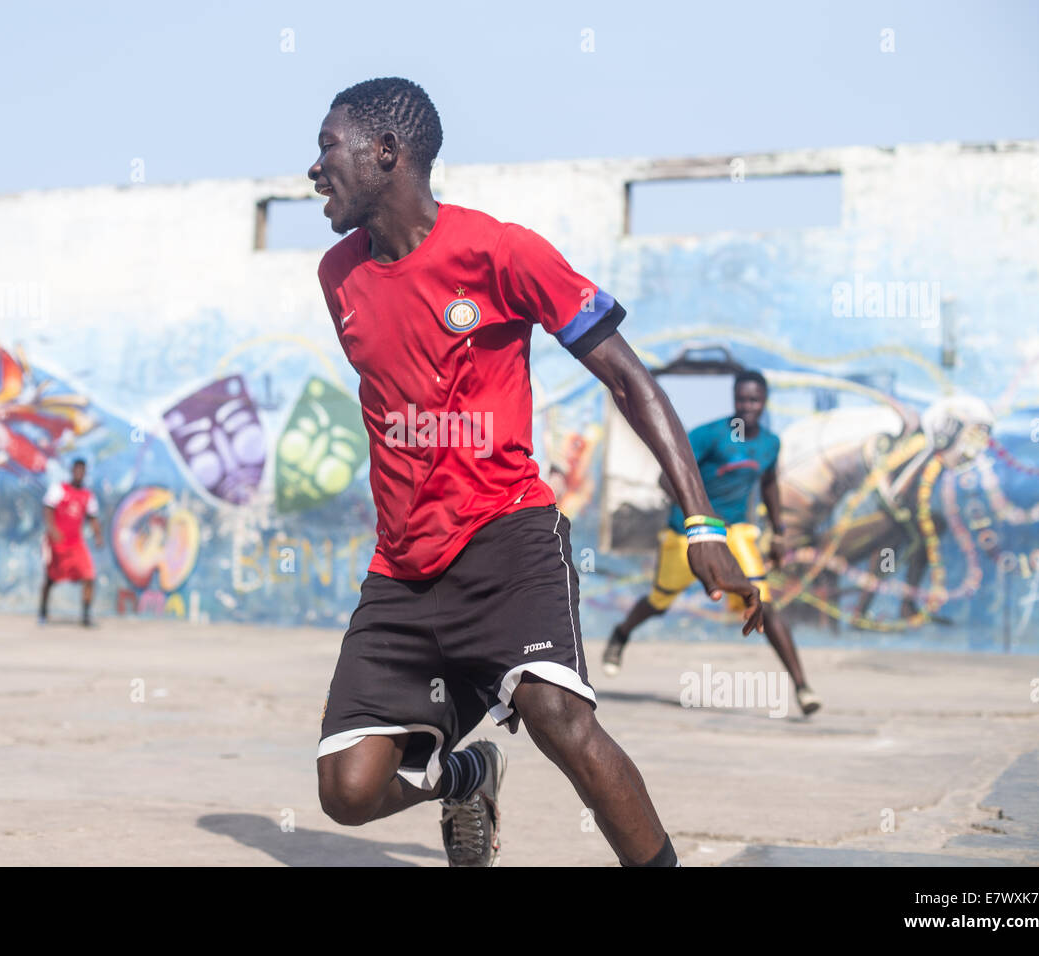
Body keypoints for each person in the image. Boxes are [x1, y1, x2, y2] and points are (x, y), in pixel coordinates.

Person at [310, 77, 762, 868]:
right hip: (402, 566)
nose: (315, 170)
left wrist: (701, 521)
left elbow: (627, 378)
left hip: (504, 535)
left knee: (557, 712)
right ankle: (467, 774)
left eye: (328, 147)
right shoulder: (338, 276)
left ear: (387, 152)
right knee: (347, 792)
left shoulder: (502, 252)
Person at [603, 371, 822, 716]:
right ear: (734, 399)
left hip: (736, 533)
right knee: (660, 601)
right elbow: (666, 478)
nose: (748, 406)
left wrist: (779, 532)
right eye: (742, 399)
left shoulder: (769, 444)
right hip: (687, 532)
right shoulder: (708, 436)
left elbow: (768, 485)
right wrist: (699, 518)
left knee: (762, 600)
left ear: (764, 402)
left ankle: (802, 687)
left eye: (755, 400)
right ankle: (621, 633)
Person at [39, 458, 103, 627]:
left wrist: (98, 536)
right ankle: (43, 612)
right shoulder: (59, 489)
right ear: (72, 471)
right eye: (77, 470)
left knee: (89, 576)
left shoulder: (88, 496)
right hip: (58, 543)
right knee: (51, 578)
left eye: (82, 470)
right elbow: (47, 508)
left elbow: (93, 518)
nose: (79, 473)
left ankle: (86, 616)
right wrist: (52, 530)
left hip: (76, 544)